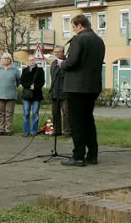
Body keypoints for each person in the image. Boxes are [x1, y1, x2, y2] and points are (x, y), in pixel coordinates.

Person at [60, 14, 105, 167]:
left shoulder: (79, 39)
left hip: (76, 88)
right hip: (93, 86)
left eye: (73, 27)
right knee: (88, 120)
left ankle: (78, 156)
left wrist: (62, 64)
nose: (73, 30)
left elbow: (72, 61)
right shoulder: (99, 40)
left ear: (79, 26)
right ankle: (92, 155)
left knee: (76, 122)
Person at [0, 53, 19, 136]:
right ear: (2, 60)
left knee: (9, 113)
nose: (6, 60)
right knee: (0, 113)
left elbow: (18, 81)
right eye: (4, 58)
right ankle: (1, 129)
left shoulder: (15, 69)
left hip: (11, 95)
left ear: (10, 60)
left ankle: (8, 130)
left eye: (8, 58)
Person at [20, 55, 45, 137]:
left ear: (35, 60)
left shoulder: (40, 70)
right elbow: (22, 81)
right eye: (30, 60)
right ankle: (26, 131)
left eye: (33, 60)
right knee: (26, 113)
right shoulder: (25, 70)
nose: (32, 61)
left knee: (35, 113)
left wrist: (35, 87)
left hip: (36, 95)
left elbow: (42, 81)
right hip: (27, 95)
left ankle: (34, 131)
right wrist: (29, 86)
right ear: (28, 61)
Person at [50, 46, 70, 137]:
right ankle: (56, 130)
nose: (57, 54)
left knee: (66, 113)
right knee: (55, 113)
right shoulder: (53, 64)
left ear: (63, 53)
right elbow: (53, 76)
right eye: (55, 52)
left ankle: (67, 131)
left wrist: (62, 65)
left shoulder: (67, 62)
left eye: (58, 52)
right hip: (55, 92)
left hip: (65, 93)